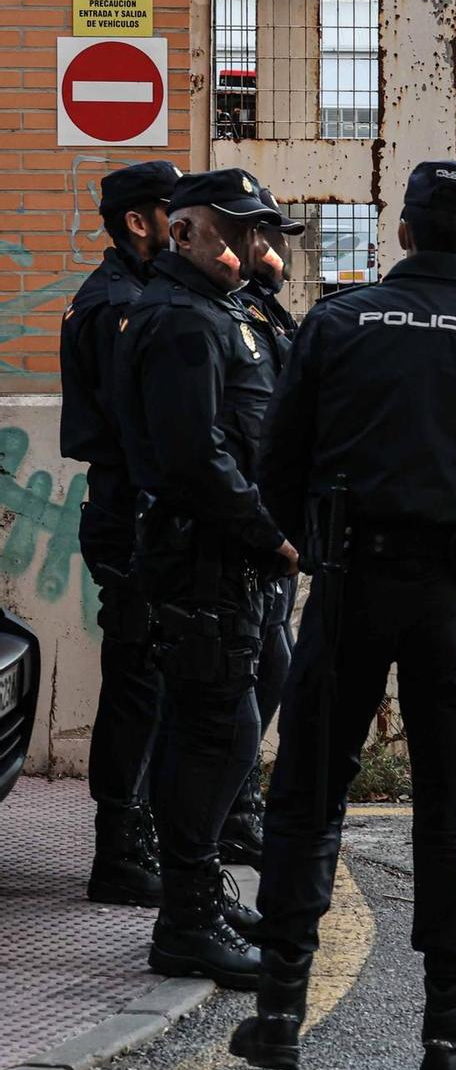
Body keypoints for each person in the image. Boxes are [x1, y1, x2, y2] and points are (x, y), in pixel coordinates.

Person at [232, 161, 456, 1070]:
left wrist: (323, 544)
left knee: (306, 800)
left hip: (349, 588)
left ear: (404, 232)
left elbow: (277, 467)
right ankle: (449, 1039)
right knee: (451, 810)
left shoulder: (340, 324)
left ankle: (278, 1019)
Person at [114, 169, 298, 990]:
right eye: (231, 229)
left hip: (230, 559)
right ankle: (185, 920)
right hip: (204, 560)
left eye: (255, 231)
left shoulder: (219, 311)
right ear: (181, 231)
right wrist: (272, 535)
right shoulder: (182, 321)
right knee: (212, 735)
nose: (249, 245)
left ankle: (200, 900)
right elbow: (196, 460)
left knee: (230, 722)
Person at [59, 159, 179, 906]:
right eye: (175, 211)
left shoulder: (136, 295)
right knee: (136, 681)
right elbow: (139, 428)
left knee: (153, 677)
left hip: (140, 511)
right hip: (129, 514)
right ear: (139, 221)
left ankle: (140, 833)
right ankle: (118, 847)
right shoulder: (114, 306)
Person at [220, 184, 307, 868]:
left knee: (268, 673)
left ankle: (236, 811)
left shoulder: (263, 313)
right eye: (264, 236)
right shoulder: (225, 315)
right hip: (240, 529)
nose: (274, 248)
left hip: (268, 523)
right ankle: (229, 815)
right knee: (240, 683)